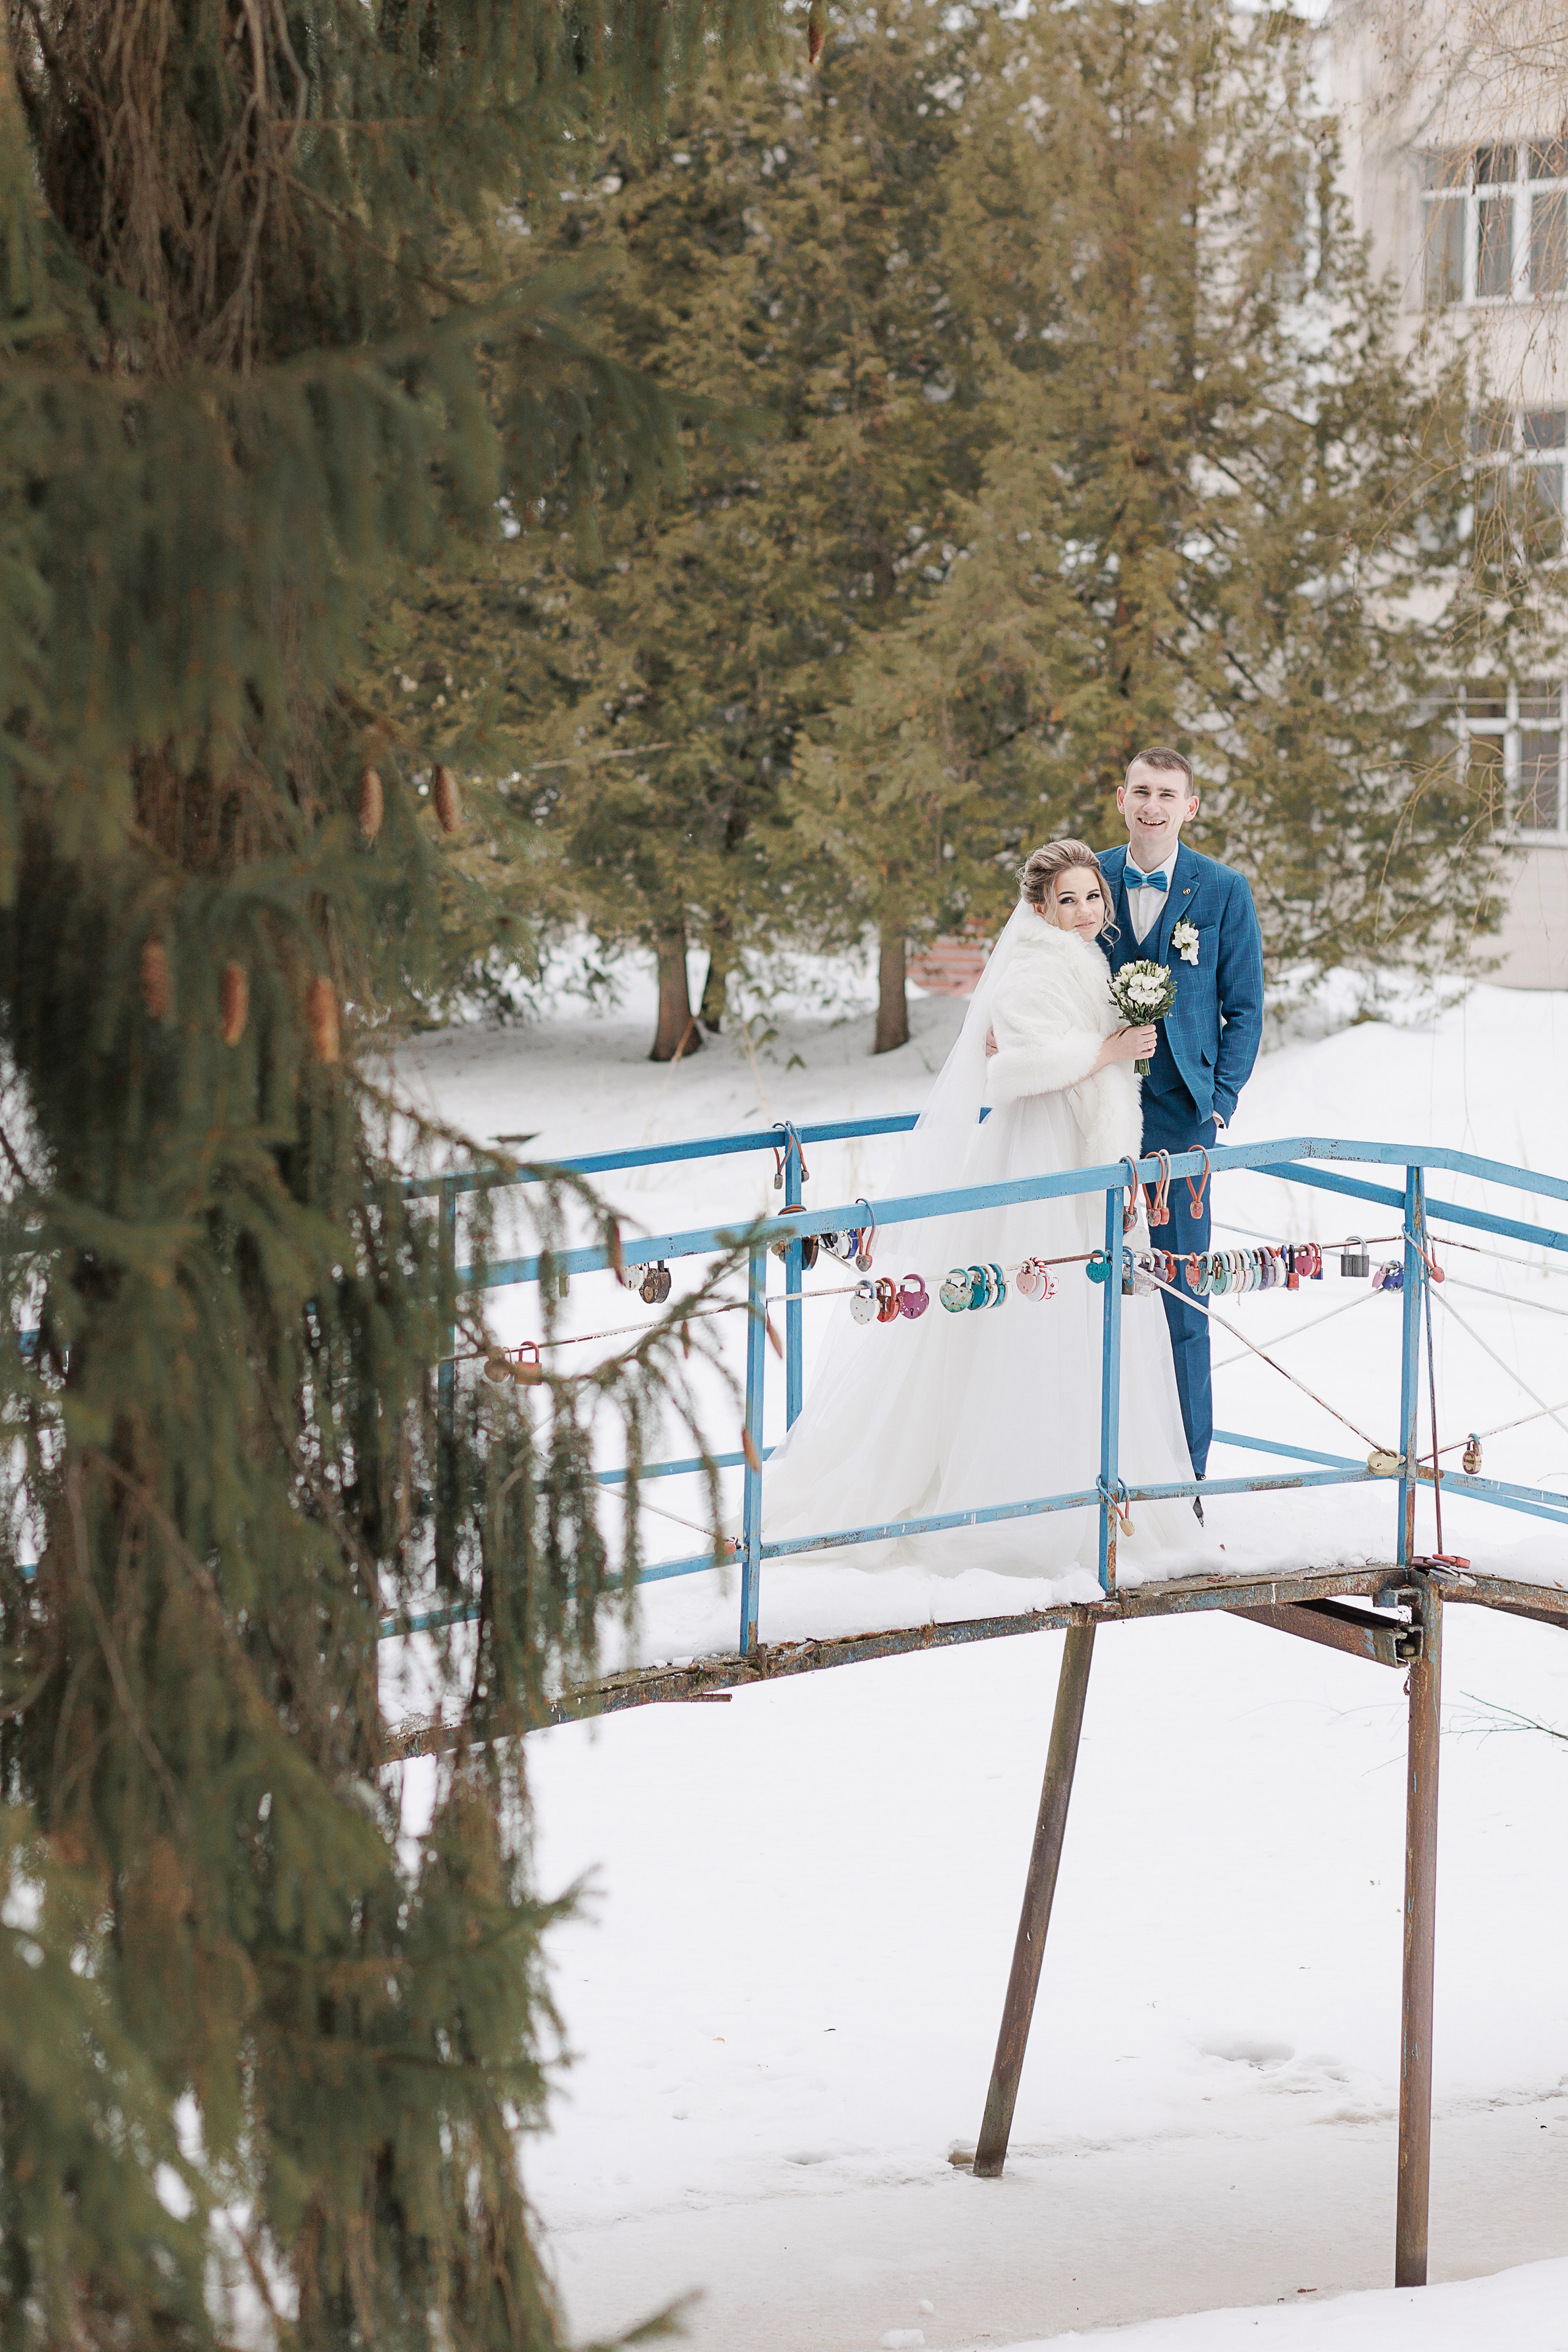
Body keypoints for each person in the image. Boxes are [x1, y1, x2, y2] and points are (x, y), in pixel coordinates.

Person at [757, 840, 1205, 1585]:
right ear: (1038, 908)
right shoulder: (1032, 964)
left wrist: (1119, 1065)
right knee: (1037, 1306)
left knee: (1091, 1311)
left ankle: (1102, 1487)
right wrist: (1108, 1049)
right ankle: (1023, 1499)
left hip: (1086, 1147)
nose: (1085, 912)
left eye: (1092, 898)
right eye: (1067, 901)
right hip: (1038, 1148)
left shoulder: (1086, 958)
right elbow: (1016, 1069)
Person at [1097, 748, 1265, 1507]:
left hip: (1183, 1118)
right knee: (1083, 1284)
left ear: (1189, 807)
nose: (1153, 807)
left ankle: (1187, 1478)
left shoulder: (1224, 891)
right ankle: (1092, 1464)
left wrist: (1220, 1100)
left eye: (1168, 795)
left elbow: (1245, 1007)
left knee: (1182, 1295)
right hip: (1091, 1111)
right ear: (1121, 798)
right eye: (1142, 792)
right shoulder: (1085, 878)